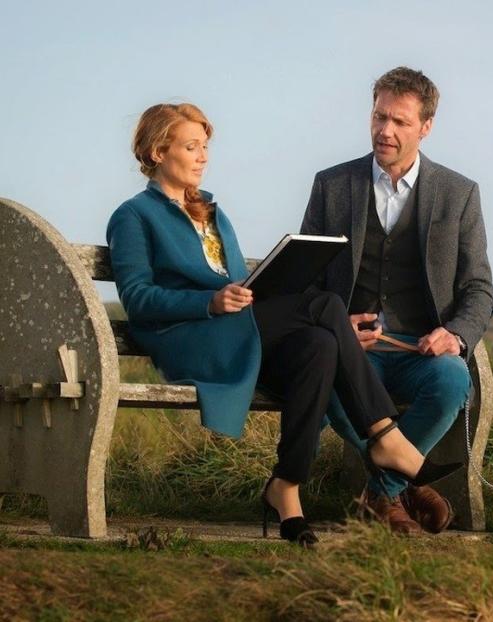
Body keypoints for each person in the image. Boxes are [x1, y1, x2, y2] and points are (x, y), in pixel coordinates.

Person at [106, 103, 459, 547]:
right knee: (328, 306)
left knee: (319, 346)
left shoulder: (214, 212)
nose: (202, 157)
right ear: (158, 152)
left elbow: (240, 286)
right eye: (191, 147)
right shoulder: (133, 216)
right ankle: (386, 437)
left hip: (234, 332)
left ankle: (286, 488)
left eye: (205, 147)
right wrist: (210, 302)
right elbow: (137, 299)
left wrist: (254, 290)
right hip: (191, 341)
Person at [301, 67, 493, 534]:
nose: (384, 131)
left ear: (425, 127)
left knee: (453, 381)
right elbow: (302, 278)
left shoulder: (459, 194)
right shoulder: (332, 186)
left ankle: (382, 492)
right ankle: (406, 485)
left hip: (418, 351)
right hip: (351, 352)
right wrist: (335, 325)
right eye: (379, 116)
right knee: (326, 378)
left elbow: (480, 288)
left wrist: (455, 334)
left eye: (400, 122)